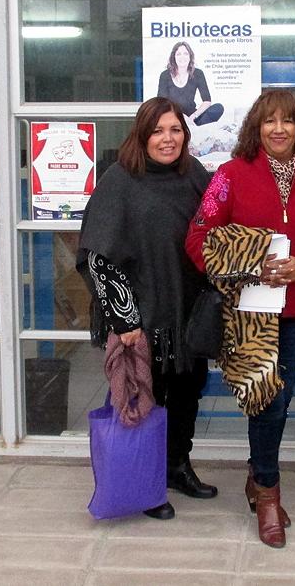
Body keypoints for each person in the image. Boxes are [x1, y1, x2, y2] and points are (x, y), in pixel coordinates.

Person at [185, 89, 295, 548]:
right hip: (248, 310)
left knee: (280, 397)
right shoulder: (231, 175)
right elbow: (198, 238)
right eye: (269, 121)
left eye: (287, 121)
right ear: (256, 128)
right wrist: (248, 261)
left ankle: (257, 476)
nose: (278, 129)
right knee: (266, 400)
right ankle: (269, 493)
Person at [77, 97, 215, 521]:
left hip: (186, 314)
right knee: (145, 399)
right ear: (142, 135)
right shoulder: (120, 181)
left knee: (188, 392)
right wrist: (125, 320)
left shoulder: (194, 175)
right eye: (158, 131)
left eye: (175, 130)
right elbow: (99, 256)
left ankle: (177, 466)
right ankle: (145, 481)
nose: (167, 139)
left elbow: (217, 227)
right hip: (142, 315)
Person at [157, 41, 225, 127]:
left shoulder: (198, 73)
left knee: (218, 108)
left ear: (190, 56)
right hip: (172, 117)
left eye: (185, 53)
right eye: (178, 54)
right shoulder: (165, 75)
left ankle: (192, 126)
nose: (182, 57)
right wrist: (182, 117)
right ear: (173, 57)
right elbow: (161, 103)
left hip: (193, 118)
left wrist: (193, 117)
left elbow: (207, 101)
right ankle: (187, 127)